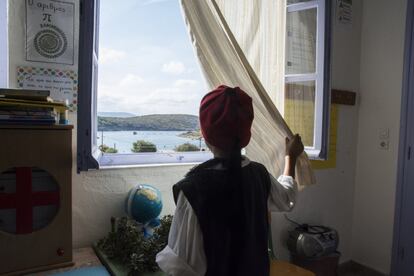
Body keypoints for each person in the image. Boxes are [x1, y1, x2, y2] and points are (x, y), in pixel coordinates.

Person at [156, 85, 304, 276]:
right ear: (246, 135)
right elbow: (287, 198)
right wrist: (291, 157)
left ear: (205, 133)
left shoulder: (194, 190)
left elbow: (180, 267)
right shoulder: (258, 175)